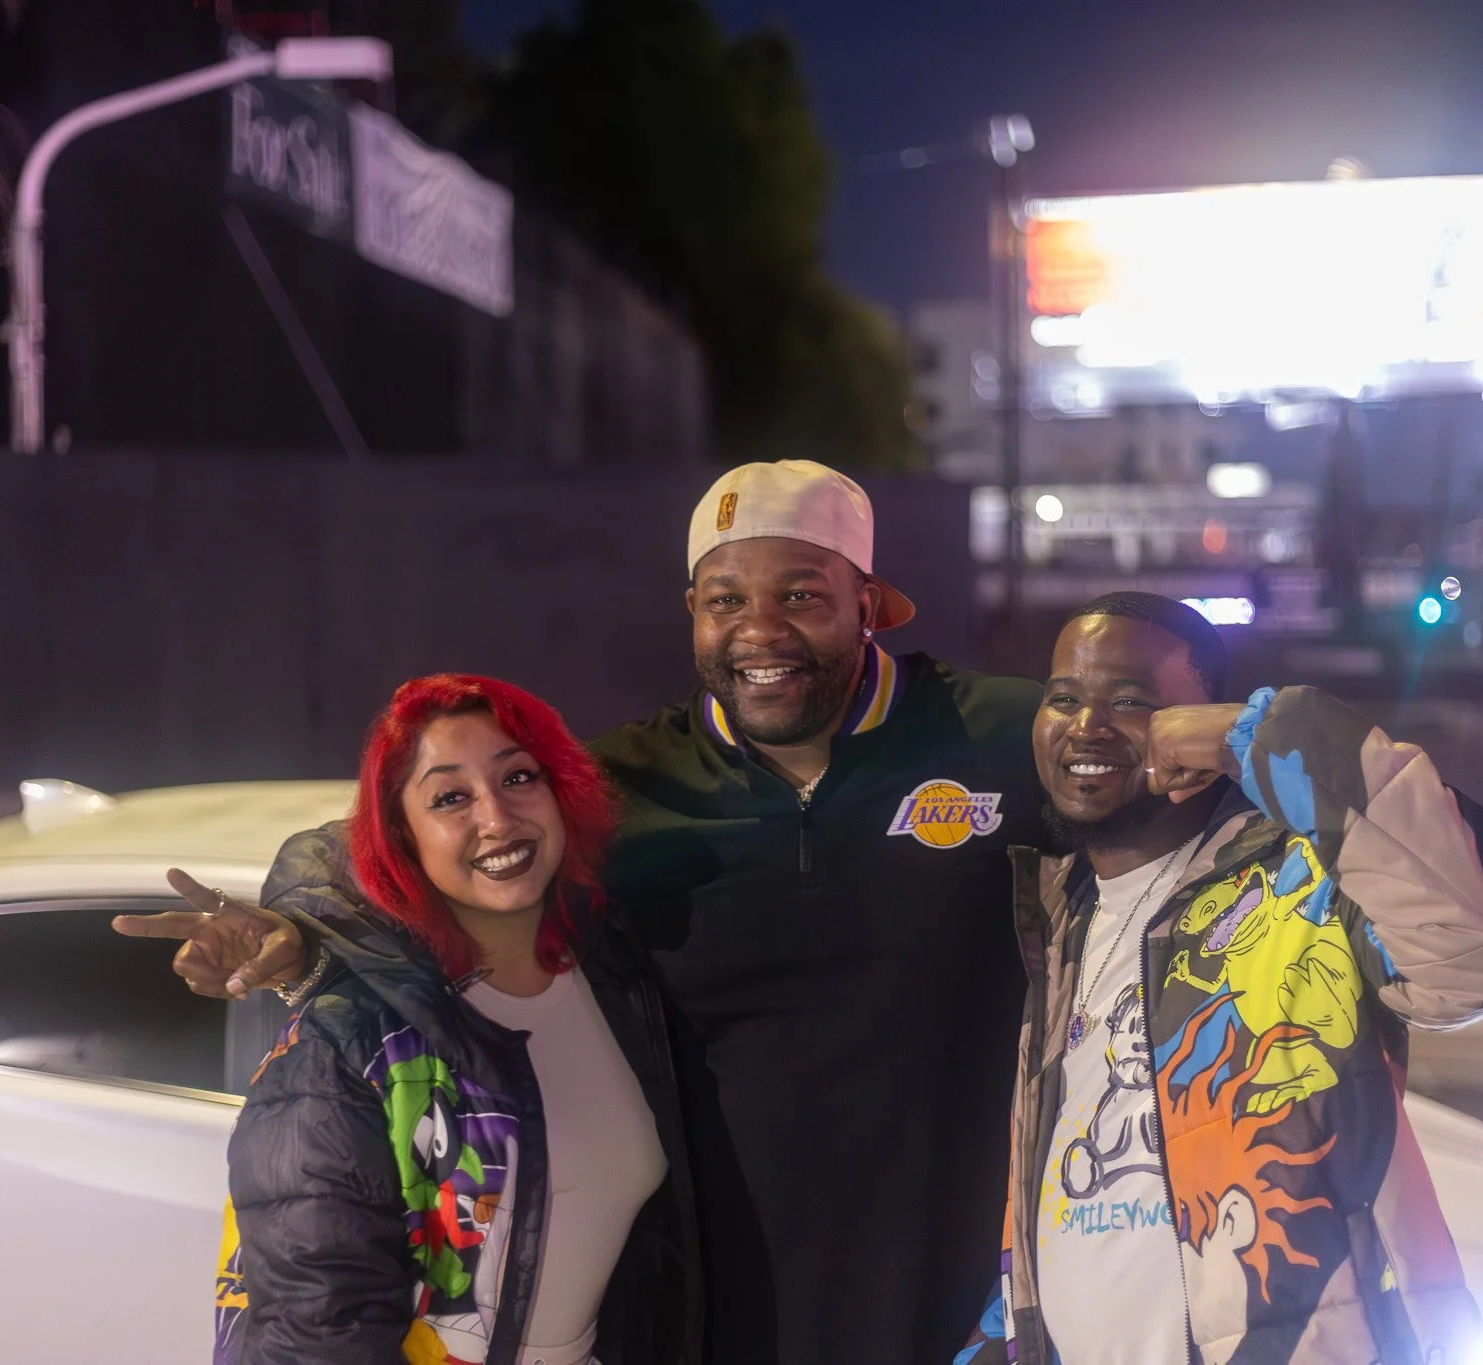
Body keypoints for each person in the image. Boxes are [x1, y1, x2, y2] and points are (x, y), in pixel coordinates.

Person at [122, 461, 1049, 1364]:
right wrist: (303, 926)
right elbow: (410, 839)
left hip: (962, 1295)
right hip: (703, 1311)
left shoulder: (1005, 736)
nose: (759, 630)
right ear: (692, 611)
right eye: (725, 599)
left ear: (868, 601)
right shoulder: (625, 785)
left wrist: (1188, 726)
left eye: (801, 595)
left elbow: (1143, 756)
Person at [955, 593, 1483, 1365]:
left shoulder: (1305, 883)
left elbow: (1482, 945)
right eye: (1065, 697)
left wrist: (1266, 735)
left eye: (1133, 700)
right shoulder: (1052, 917)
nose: (1087, 725)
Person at [200, 673, 698, 1365]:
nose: (496, 818)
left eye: (519, 776)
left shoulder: (615, 975)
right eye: (451, 796)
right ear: (403, 834)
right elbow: (316, 1336)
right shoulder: (354, 1042)